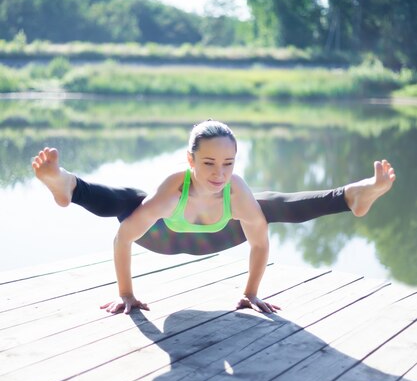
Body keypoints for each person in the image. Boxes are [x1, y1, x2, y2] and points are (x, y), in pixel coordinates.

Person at [32, 120, 396, 315]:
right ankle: (68, 185)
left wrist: (251, 294)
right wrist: (126, 294)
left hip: (219, 236)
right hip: (161, 238)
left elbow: (259, 240)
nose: (219, 173)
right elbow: (123, 237)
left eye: (228, 163)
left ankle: (352, 195)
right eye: (208, 162)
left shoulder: (236, 189)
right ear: (190, 160)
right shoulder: (173, 187)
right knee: (129, 200)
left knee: (266, 205)